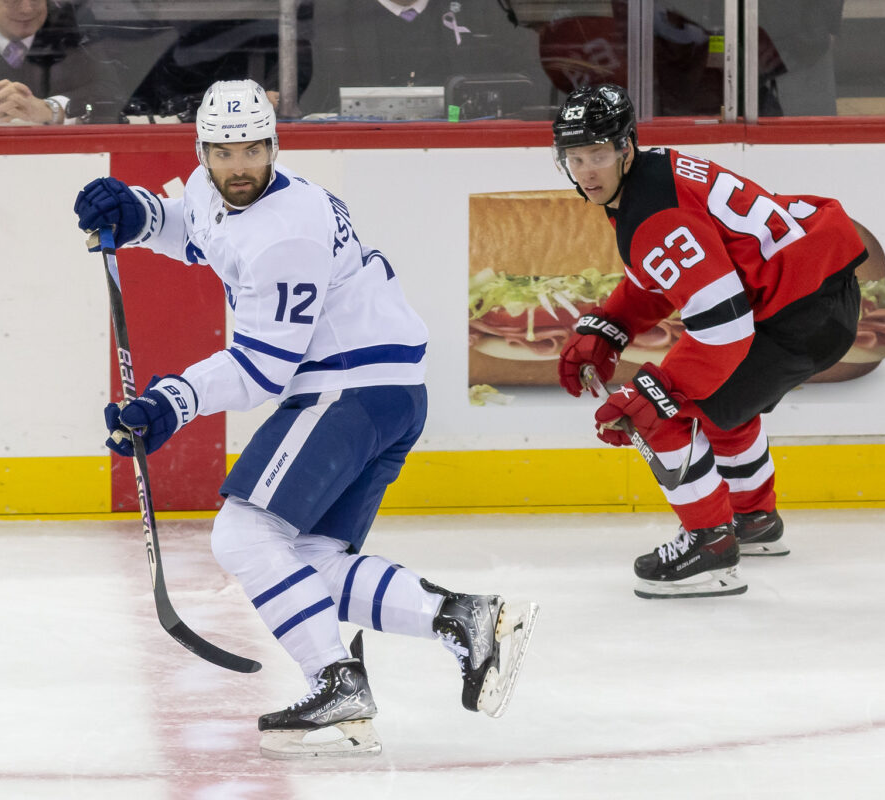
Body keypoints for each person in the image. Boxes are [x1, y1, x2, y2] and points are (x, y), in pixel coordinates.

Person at [73, 80, 537, 758]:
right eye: (224, 152)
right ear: (202, 150)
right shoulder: (221, 190)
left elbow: (261, 368)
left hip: (348, 389)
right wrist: (137, 215)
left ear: (274, 145)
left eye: (253, 150)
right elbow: (196, 228)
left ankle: (335, 680)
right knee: (308, 560)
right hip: (384, 390)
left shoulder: (286, 234)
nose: (239, 166)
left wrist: (168, 403)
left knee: (243, 534)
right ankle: (465, 618)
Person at [552, 84, 866, 599]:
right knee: (722, 403)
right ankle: (754, 521)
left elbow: (724, 324)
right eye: (576, 157)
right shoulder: (651, 177)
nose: (588, 171)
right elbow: (673, 275)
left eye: (600, 155)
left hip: (800, 315)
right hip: (814, 296)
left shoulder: (650, 212)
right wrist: (612, 323)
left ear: (626, 148)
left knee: (663, 410)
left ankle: (709, 546)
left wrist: (660, 390)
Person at [298, 0, 548, 116]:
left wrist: (514, 115)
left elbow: (536, 70)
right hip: (360, 150)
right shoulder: (331, 11)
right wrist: (274, 94)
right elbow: (298, 73)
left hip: (460, 146)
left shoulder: (477, 7)